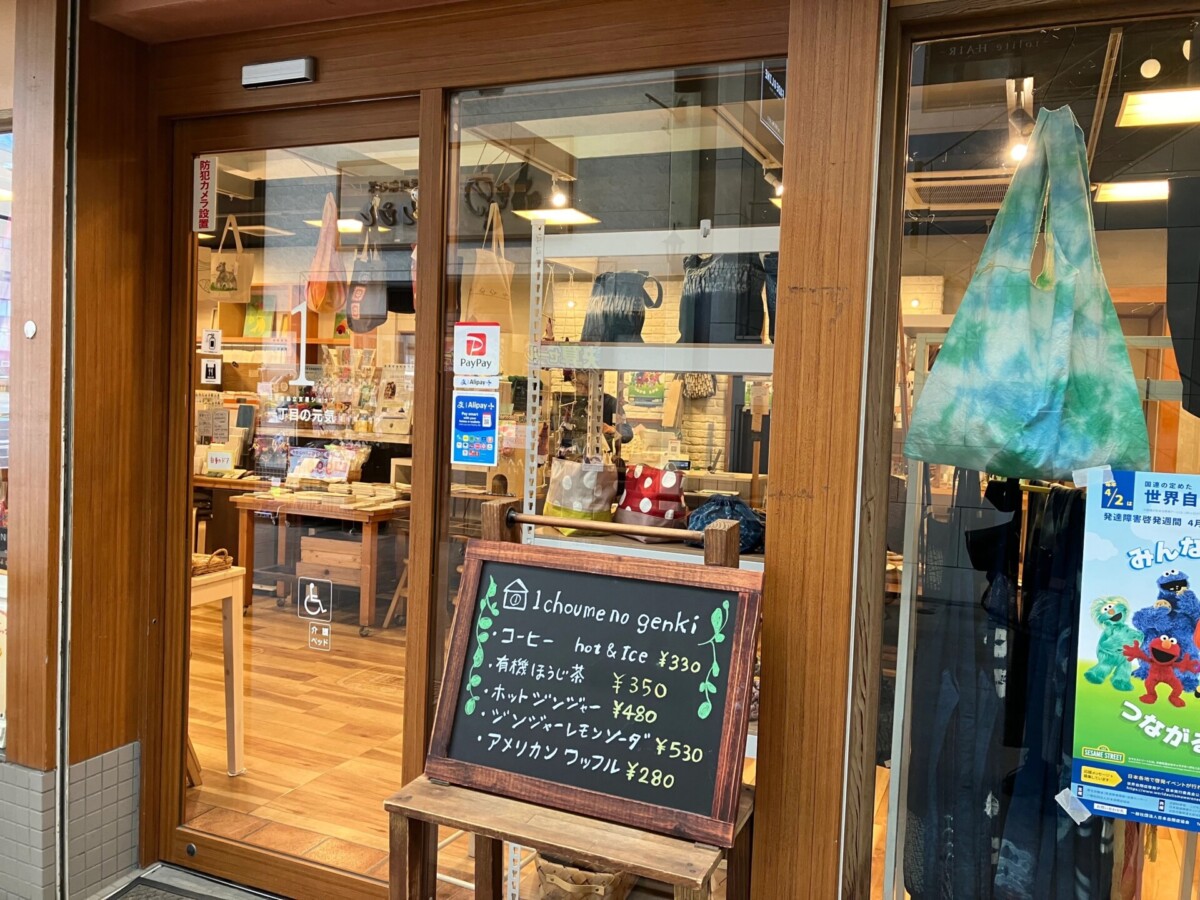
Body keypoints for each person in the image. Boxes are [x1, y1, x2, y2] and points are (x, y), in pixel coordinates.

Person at [558, 369, 633, 456]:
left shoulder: (610, 403)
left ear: (597, 382)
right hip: (572, 456)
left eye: (587, 384)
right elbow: (557, 427)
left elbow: (627, 434)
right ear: (573, 383)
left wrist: (612, 430)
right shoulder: (570, 402)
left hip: (601, 457)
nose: (583, 389)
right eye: (579, 384)